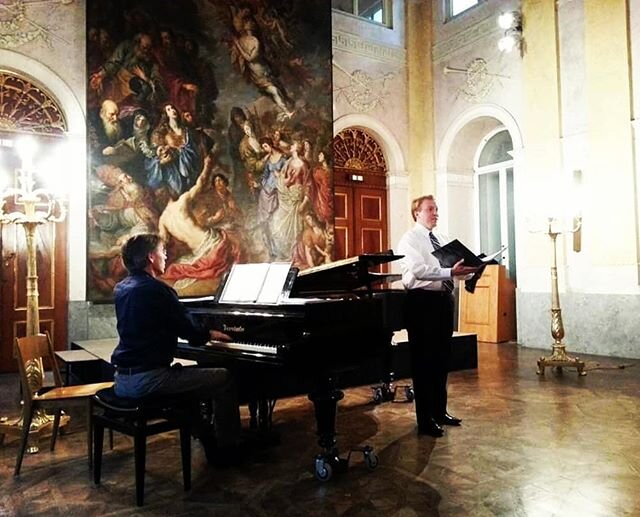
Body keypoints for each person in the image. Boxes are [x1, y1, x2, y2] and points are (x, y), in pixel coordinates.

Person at [110, 233, 241, 459]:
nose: (166, 255)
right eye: (163, 251)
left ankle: (207, 438)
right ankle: (228, 448)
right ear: (151, 257)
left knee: (187, 381)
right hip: (148, 380)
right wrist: (209, 333)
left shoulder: (122, 288)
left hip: (122, 379)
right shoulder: (157, 290)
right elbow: (189, 331)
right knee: (224, 377)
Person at [397, 195, 478, 437]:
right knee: (424, 362)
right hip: (421, 303)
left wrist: (471, 270)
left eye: (436, 209)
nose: (435, 213)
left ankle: (440, 411)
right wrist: (450, 271)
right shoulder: (409, 240)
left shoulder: (442, 239)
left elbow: (454, 271)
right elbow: (419, 270)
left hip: (444, 302)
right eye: (430, 209)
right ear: (417, 213)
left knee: (442, 359)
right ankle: (425, 420)